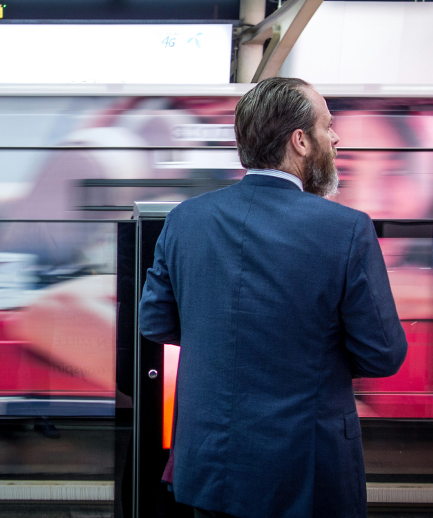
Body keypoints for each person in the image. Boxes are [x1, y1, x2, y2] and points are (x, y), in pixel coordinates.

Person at [138, 78, 407, 518]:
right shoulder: (347, 229)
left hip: (209, 465)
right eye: (327, 126)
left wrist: (222, 336)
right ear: (300, 141)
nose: (336, 138)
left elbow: (155, 322)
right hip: (305, 472)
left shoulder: (185, 220)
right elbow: (382, 355)